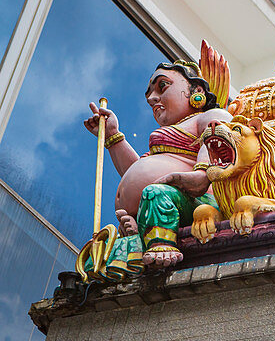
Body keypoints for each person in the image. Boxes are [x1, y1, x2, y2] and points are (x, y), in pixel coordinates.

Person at [83, 58, 229, 269]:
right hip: (155, 199)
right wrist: (113, 136)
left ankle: (162, 246)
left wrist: (202, 176)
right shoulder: (165, 141)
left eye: (162, 86)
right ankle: (140, 233)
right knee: (150, 197)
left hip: (198, 203)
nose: (152, 98)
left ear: (195, 90)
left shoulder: (210, 117)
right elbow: (135, 171)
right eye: (149, 94)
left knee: (155, 194)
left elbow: (215, 141)